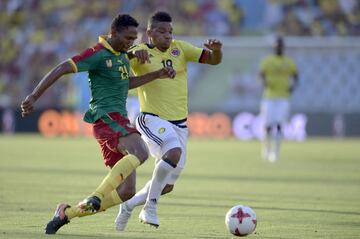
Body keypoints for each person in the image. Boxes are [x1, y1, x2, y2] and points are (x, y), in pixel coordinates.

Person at [20, 14, 175, 234]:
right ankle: (98, 195)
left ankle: (66, 214)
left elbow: (125, 83)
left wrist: (157, 74)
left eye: (134, 38)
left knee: (127, 191)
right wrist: (34, 96)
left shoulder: (122, 54)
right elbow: (63, 67)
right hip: (107, 118)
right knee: (141, 151)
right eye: (128, 37)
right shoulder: (97, 54)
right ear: (114, 33)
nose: (131, 42)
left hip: (114, 123)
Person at [115, 11, 222, 230]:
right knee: (173, 153)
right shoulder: (140, 52)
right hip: (151, 119)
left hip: (180, 124)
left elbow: (213, 61)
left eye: (170, 31)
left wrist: (217, 51)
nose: (168, 36)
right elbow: (118, 66)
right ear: (149, 33)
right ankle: (150, 208)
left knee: (166, 186)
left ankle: (129, 206)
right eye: (162, 31)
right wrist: (133, 57)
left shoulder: (180, 49)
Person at [259, 36, 298, 162]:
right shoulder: (268, 61)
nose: (278, 48)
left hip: (283, 97)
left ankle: (276, 152)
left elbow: (296, 75)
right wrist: (264, 83)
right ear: (273, 47)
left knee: (280, 125)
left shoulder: (289, 62)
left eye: (280, 46)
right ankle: (266, 148)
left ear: (283, 47)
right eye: (276, 46)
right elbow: (261, 74)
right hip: (269, 97)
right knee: (267, 125)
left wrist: (292, 87)